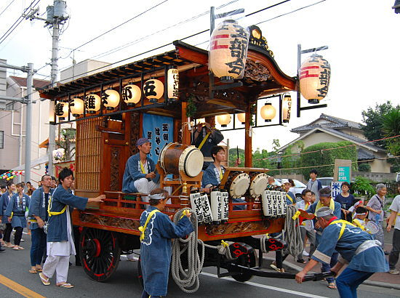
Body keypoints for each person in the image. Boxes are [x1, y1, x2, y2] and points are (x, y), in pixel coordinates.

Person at [295, 206, 388, 298]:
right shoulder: (345, 223)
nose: (318, 224)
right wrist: (336, 268)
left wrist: (303, 272)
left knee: (342, 282)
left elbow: (320, 254)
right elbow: (349, 248)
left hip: (365, 255)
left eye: (318, 221)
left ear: (322, 220)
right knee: (350, 284)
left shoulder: (331, 228)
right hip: (376, 253)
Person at [38, 167, 105, 288]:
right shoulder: (60, 192)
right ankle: (45, 274)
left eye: (71, 179)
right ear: (61, 180)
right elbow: (74, 200)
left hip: (64, 223)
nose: (70, 181)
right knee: (55, 254)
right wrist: (94, 199)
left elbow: (73, 198)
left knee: (64, 253)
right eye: (68, 179)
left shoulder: (65, 191)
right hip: (57, 224)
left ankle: (61, 279)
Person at [140, 188, 194, 298]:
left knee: (149, 284)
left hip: (147, 254)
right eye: (166, 200)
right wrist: (185, 219)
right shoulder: (160, 217)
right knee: (157, 288)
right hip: (158, 257)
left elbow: (158, 228)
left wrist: (167, 220)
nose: (166, 203)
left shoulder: (145, 213)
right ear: (161, 200)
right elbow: (176, 232)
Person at [303, 187, 341, 289]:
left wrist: (323, 221)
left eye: (323, 200)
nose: (322, 202)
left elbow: (336, 219)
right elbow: (307, 212)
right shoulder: (316, 205)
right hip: (321, 234)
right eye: (320, 199)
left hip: (333, 234)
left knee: (334, 256)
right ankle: (330, 279)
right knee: (324, 254)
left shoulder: (336, 206)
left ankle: (325, 272)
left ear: (329, 198)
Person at [28, 175, 53, 273]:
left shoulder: (52, 192)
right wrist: (38, 218)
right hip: (36, 222)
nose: (49, 181)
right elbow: (33, 206)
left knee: (43, 244)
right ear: (42, 182)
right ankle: (33, 264)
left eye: (50, 179)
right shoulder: (37, 192)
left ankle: (39, 264)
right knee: (35, 244)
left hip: (47, 222)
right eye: (47, 179)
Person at [122, 138, 160, 202]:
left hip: (146, 185)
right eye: (146, 144)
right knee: (143, 181)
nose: (149, 146)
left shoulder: (150, 161)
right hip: (132, 185)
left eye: (150, 145)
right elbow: (134, 175)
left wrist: (158, 175)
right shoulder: (132, 160)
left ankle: (168, 207)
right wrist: (147, 175)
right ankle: (148, 207)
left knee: (164, 181)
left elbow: (154, 176)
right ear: (139, 147)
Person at [5, 183, 30, 250]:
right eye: (17, 187)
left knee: (21, 229)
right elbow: (10, 205)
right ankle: (16, 244)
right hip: (16, 215)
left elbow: (30, 205)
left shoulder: (26, 197)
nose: (18, 188)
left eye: (19, 187)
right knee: (18, 228)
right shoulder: (14, 196)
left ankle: (18, 244)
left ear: (22, 188)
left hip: (22, 215)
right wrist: (9, 215)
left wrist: (32, 213)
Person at [296, 189, 316, 262]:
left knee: (314, 241)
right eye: (308, 195)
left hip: (310, 224)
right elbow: (296, 214)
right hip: (302, 224)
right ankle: (300, 257)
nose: (310, 197)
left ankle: (311, 256)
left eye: (311, 195)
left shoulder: (313, 205)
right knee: (301, 241)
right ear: (303, 196)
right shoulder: (298, 204)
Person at [366, 183, 387, 251]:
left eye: (385, 190)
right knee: (379, 233)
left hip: (380, 217)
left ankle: (377, 247)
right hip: (374, 218)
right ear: (378, 190)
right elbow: (368, 206)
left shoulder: (383, 198)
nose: (384, 192)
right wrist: (375, 211)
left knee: (377, 233)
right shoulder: (374, 198)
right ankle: (380, 248)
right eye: (383, 190)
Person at [386, 182, 400, 275]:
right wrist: (389, 224)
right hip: (399, 227)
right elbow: (393, 213)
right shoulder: (397, 198)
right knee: (396, 248)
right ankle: (391, 266)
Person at [0, 183, 16, 248]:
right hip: (5, 212)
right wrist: (0, 214)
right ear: (9, 187)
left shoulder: (15, 195)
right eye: (12, 186)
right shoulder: (4, 195)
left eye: (14, 186)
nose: (14, 187)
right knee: (8, 226)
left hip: (13, 213)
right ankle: (7, 241)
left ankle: (5, 240)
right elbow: (1, 204)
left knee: (9, 227)